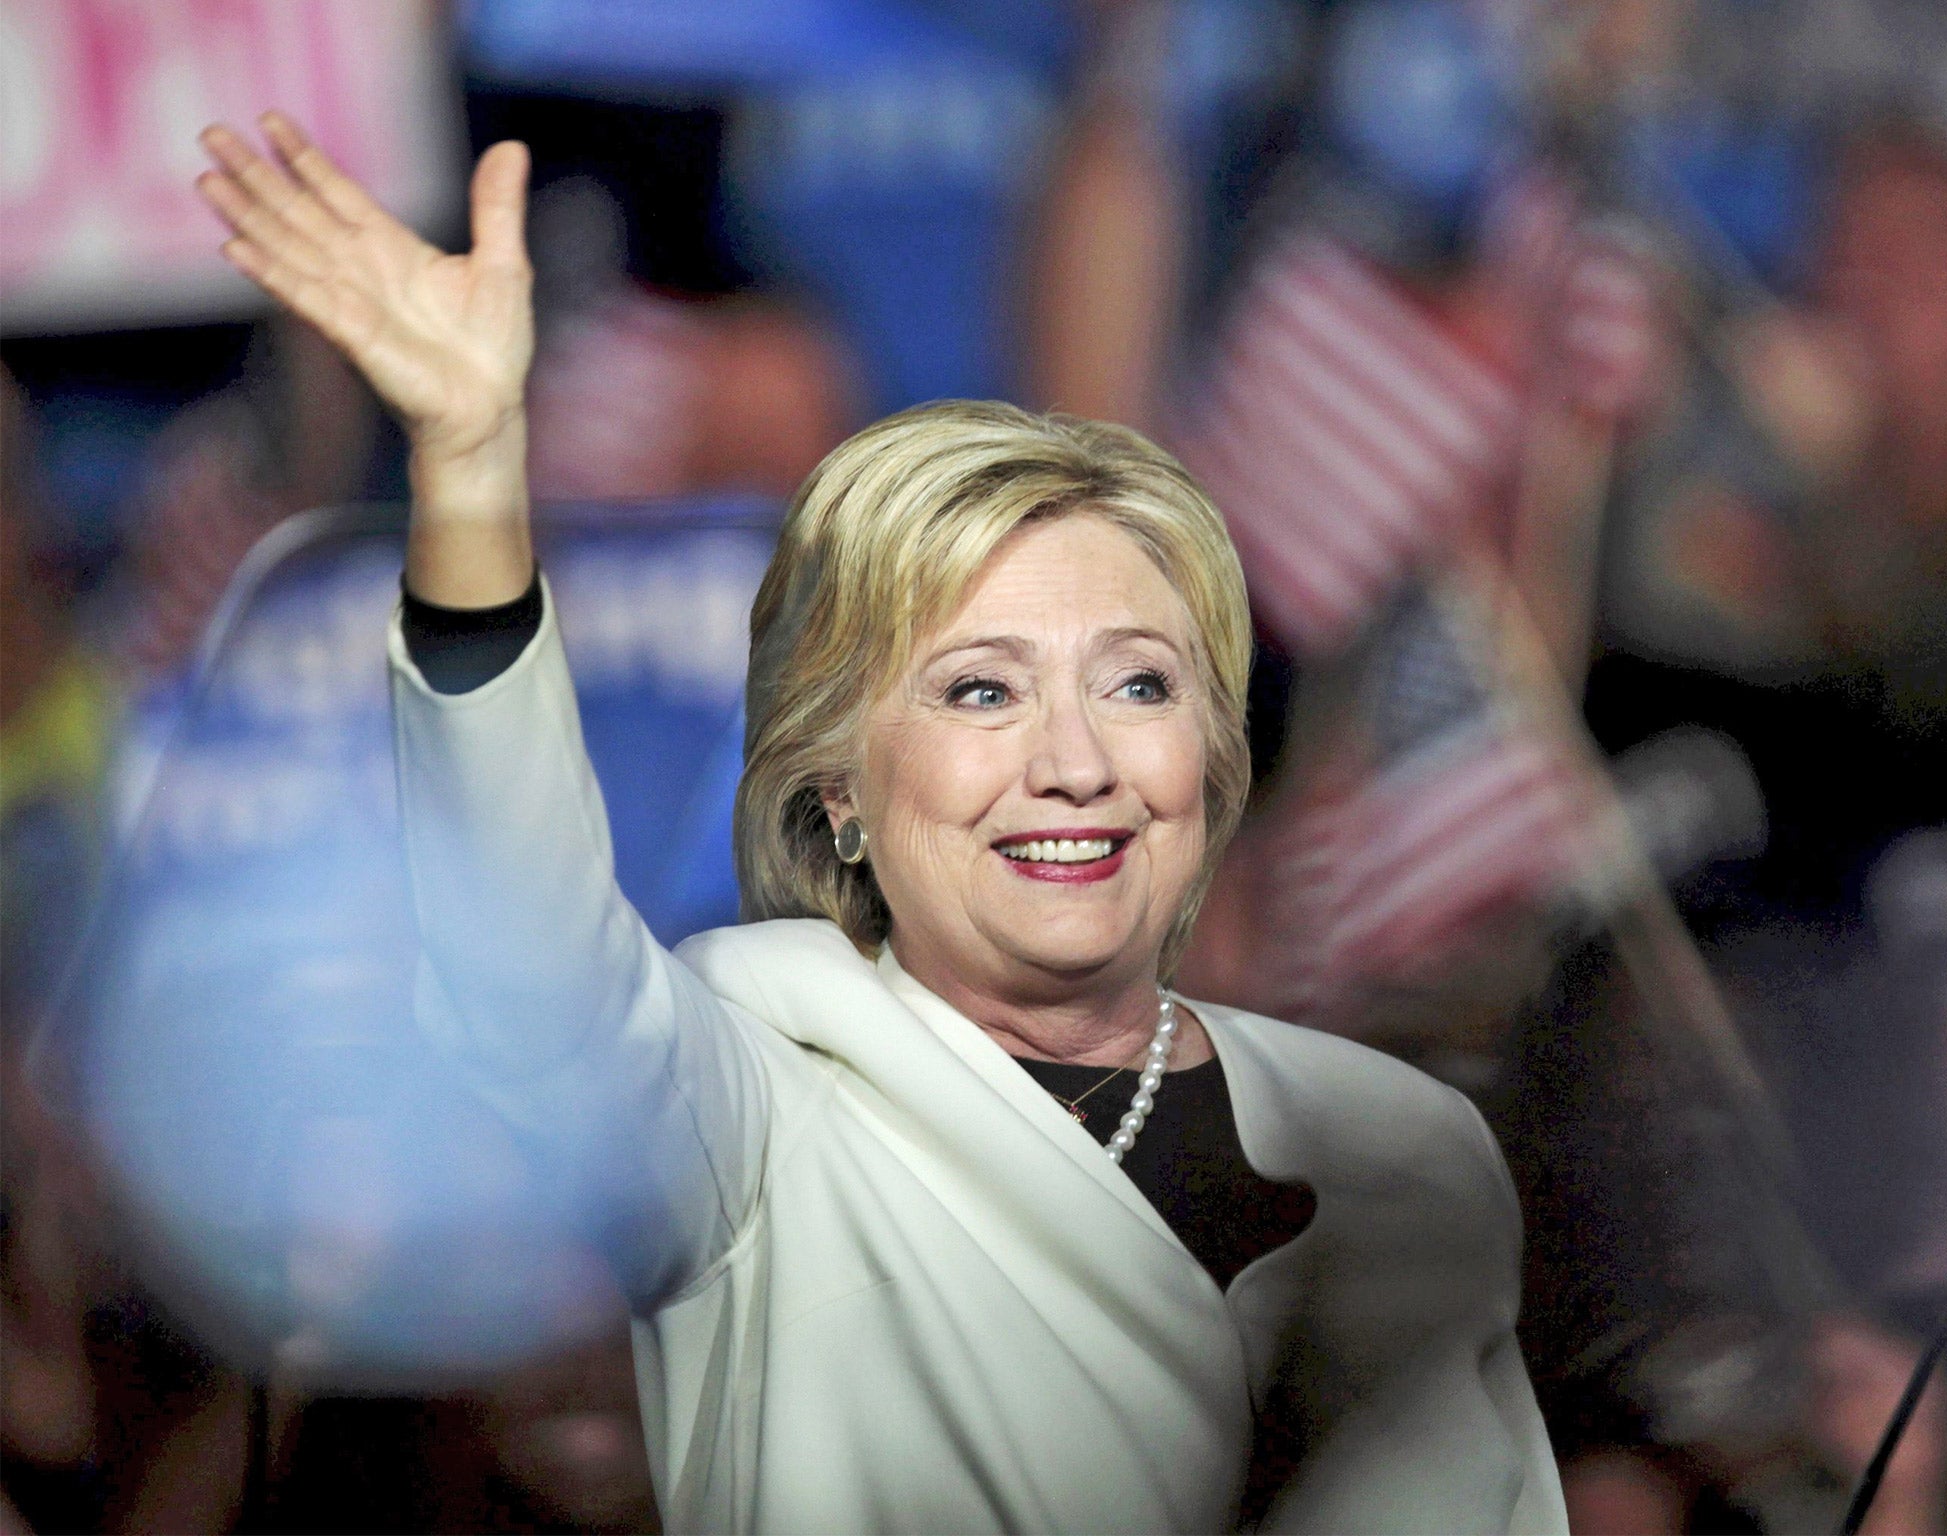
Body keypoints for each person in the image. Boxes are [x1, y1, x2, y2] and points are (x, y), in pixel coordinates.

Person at [194, 111, 1566, 1533]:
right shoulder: (762, 1091)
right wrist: (474, 477)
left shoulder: (1407, 1161)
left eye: (1138, 684)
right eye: (983, 691)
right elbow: (532, 965)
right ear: (839, 786)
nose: (1074, 761)